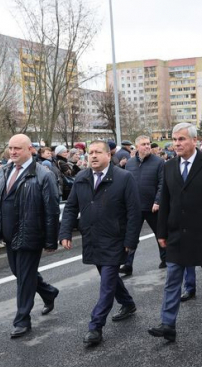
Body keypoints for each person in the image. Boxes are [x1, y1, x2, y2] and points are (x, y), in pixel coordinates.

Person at [148, 123, 202, 342]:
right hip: (177, 233)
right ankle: (168, 324)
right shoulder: (169, 166)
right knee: (173, 279)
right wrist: (161, 232)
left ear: (194, 141)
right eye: (174, 140)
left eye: (182, 139)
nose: (177, 144)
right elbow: (165, 201)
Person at [59, 140, 142, 346]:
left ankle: (95, 327)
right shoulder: (81, 177)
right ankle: (128, 303)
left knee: (106, 284)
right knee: (110, 278)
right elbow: (70, 208)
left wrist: (131, 240)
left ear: (108, 156)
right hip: (92, 238)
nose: (93, 156)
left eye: (97, 152)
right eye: (90, 153)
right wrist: (65, 232)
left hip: (115, 239)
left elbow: (134, 212)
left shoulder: (124, 178)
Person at [0, 134, 60, 338]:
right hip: (8, 234)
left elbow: (51, 209)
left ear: (29, 150)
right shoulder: (4, 171)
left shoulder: (44, 174)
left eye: (18, 148)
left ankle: (22, 319)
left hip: (30, 234)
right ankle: (48, 292)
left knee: (24, 279)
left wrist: (51, 239)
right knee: (19, 273)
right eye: (11, 148)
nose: (13, 151)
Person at [120, 134, 166, 275]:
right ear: (137, 146)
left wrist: (158, 201)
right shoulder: (130, 163)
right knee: (131, 236)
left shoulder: (159, 162)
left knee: (161, 234)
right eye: (144, 144)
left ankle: (166, 259)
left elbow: (162, 184)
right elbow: (126, 185)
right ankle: (127, 264)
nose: (147, 146)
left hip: (153, 207)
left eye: (148, 144)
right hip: (135, 207)